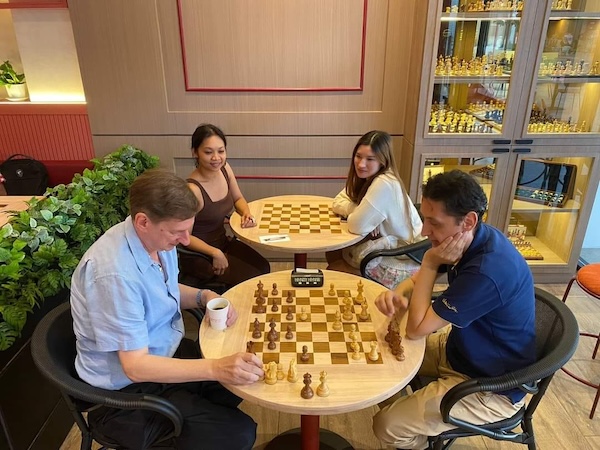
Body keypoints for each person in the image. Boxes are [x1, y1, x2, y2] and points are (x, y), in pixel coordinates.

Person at [70, 169, 263, 450]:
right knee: (239, 433)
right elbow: (135, 367)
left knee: (242, 379)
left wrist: (203, 296)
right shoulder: (113, 274)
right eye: (178, 231)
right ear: (143, 221)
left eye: (189, 229)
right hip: (123, 395)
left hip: (163, 352)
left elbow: (164, 291)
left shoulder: (157, 240)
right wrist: (215, 367)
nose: (186, 241)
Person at [372, 170, 536, 449]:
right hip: (460, 352)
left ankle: (420, 441)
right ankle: (409, 412)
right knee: (377, 361)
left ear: (468, 220)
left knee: (386, 426)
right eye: (424, 218)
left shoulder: (488, 271)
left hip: (491, 387)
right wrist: (399, 293)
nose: (424, 231)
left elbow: (416, 329)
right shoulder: (473, 238)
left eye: (433, 223)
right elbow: (415, 287)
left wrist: (429, 263)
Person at [326, 130, 423, 288]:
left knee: (335, 270)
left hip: (402, 259)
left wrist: (363, 215)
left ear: (383, 161)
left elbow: (356, 225)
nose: (361, 164)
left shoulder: (384, 183)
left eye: (370, 159)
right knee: (334, 252)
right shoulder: (368, 178)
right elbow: (337, 201)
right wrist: (361, 211)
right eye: (358, 156)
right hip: (390, 249)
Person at [180, 123, 270, 290]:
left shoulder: (224, 169)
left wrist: (246, 213)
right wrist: (214, 253)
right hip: (198, 254)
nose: (216, 158)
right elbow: (184, 237)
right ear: (195, 153)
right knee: (253, 278)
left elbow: (238, 198)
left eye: (221, 151)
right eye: (208, 152)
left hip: (222, 242)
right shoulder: (192, 190)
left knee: (264, 268)